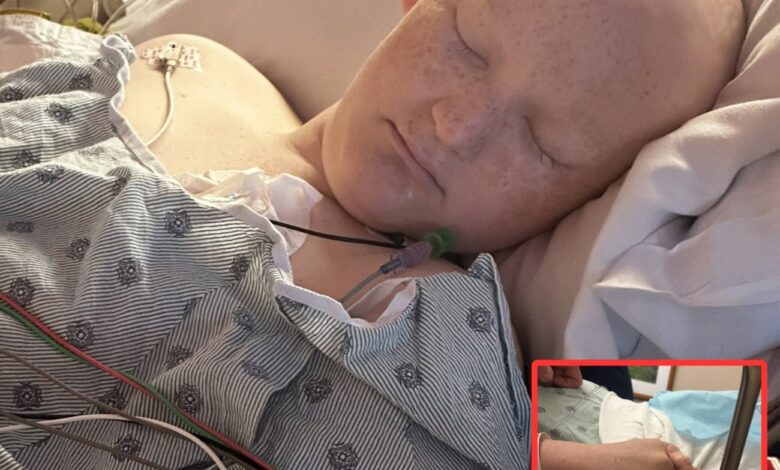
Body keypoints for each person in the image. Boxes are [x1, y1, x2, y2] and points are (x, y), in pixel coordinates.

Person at [0, 0, 743, 468]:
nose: (456, 125)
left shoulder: (440, 338)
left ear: (581, 203)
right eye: (469, 43)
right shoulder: (195, 64)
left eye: (547, 144)